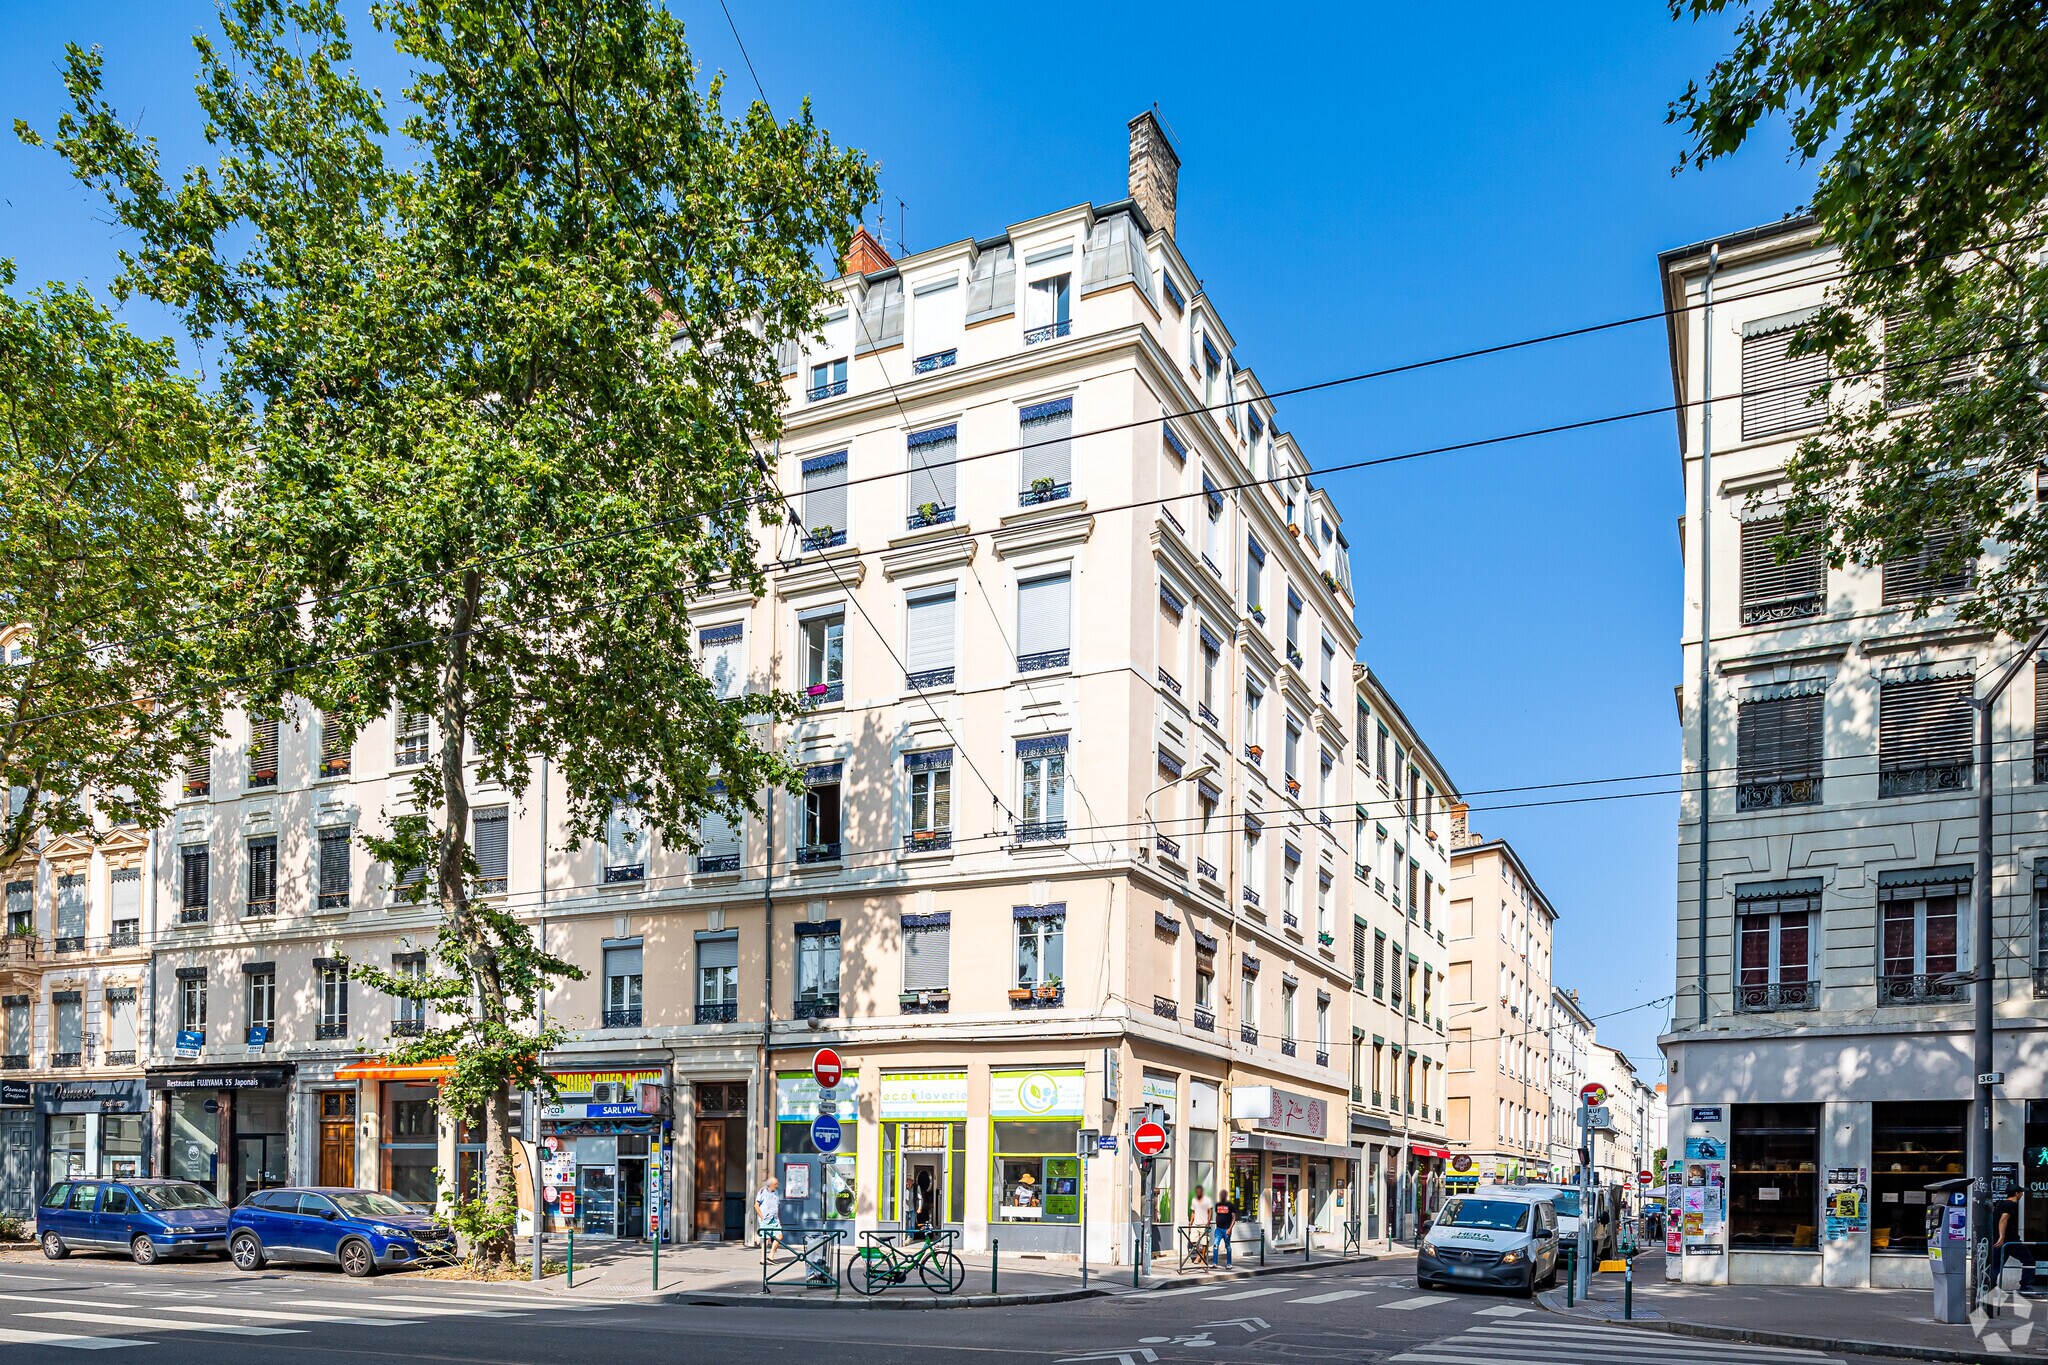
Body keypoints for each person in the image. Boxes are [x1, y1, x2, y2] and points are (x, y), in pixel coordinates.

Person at [1992, 1190, 2038, 1295]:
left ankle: (1990, 1287)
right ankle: (2026, 1286)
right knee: (2029, 1260)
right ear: (2016, 1193)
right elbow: (2003, 1219)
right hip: (2010, 1241)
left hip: (2000, 1241)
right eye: (2021, 1193)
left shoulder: (1999, 1203)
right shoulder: (2011, 1205)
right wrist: (2002, 1237)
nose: (2022, 1195)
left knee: (1996, 1265)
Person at [1188, 1185, 1213, 1267]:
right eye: (1197, 1192)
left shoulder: (1207, 1200)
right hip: (1196, 1223)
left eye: (1199, 1191)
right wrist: (1190, 1223)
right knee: (1194, 1240)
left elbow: (1210, 1211)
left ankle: (1202, 1257)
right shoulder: (1194, 1200)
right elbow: (1193, 1212)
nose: (1198, 1193)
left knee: (1204, 1242)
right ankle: (1199, 1255)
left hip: (1204, 1224)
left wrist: (1208, 1222)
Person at [1213, 1194, 1235, 1268]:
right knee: (1215, 1245)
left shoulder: (1230, 1205)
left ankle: (1229, 1263)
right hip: (1218, 1229)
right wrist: (1216, 1225)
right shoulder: (1217, 1205)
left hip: (1226, 1229)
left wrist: (1230, 1229)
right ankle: (1214, 1263)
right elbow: (1217, 1215)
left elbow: (1234, 1218)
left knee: (1228, 1247)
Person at [912, 1169, 936, 1238]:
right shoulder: (926, 1192)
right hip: (923, 1209)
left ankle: (920, 1235)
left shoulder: (919, 1189)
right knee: (924, 1222)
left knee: (921, 1222)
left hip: (921, 1209)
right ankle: (926, 1235)